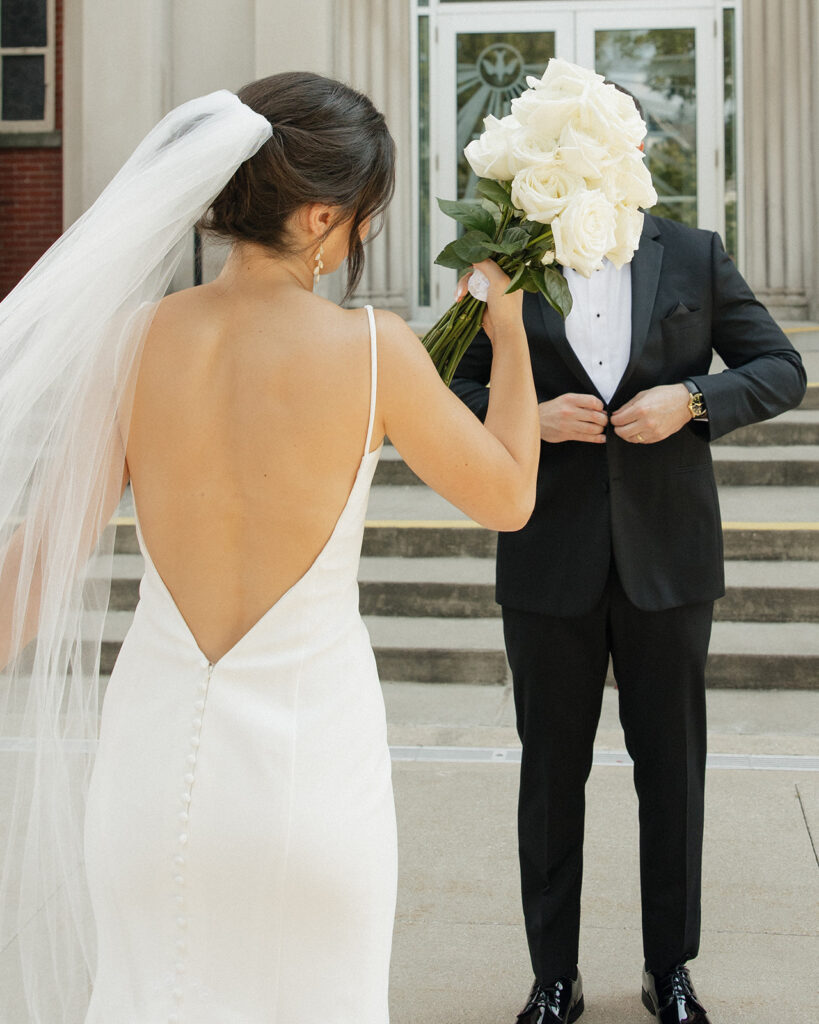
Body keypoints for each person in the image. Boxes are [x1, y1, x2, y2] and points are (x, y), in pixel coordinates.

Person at [0, 73, 539, 1023]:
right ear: (322, 215)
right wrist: (511, 332)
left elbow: (36, 566)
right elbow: (508, 496)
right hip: (310, 780)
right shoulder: (373, 350)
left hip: (146, 778)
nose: (361, 241)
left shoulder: (134, 341)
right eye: (363, 219)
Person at [451, 202, 806, 1020]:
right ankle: (552, 977)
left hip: (670, 559)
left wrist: (690, 398)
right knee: (547, 776)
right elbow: (446, 386)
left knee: (673, 773)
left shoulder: (692, 252)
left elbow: (780, 367)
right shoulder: (503, 261)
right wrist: (524, 419)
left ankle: (668, 969)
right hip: (546, 558)